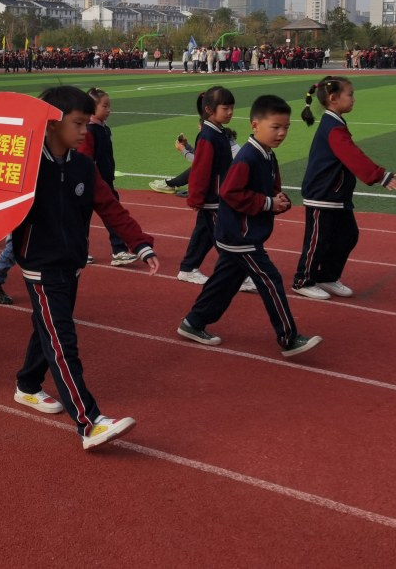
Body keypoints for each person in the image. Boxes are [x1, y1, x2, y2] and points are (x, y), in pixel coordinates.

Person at [12, 85, 158, 450]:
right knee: (62, 342)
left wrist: (139, 243)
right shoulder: (25, 165)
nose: (84, 131)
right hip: (40, 267)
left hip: (72, 263)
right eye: (78, 123)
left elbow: (110, 207)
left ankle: (27, 385)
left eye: (87, 122)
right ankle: (89, 421)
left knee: (46, 328)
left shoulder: (82, 166)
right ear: (50, 124)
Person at [176, 95, 323, 358]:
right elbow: (230, 193)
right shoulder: (248, 156)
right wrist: (268, 203)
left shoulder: (267, 156)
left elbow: (273, 189)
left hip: (240, 234)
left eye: (286, 127)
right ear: (255, 125)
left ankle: (193, 322)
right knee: (270, 280)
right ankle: (288, 338)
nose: (281, 133)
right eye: (275, 127)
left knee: (224, 283)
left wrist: (279, 201)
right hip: (239, 236)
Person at [291, 76, 396, 300]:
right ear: (333, 99)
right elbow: (352, 155)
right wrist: (380, 175)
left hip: (337, 195)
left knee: (348, 235)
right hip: (322, 194)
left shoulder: (336, 123)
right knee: (317, 240)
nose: (354, 99)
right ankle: (303, 280)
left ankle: (327, 276)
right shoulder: (332, 127)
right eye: (350, 94)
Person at [177, 87, 239, 286]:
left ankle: (187, 268)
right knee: (226, 237)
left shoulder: (219, 132)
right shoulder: (208, 136)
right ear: (210, 110)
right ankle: (240, 275)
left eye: (232, 108)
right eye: (225, 108)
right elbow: (201, 169)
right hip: (213, 197)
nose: (230, 112)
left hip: (219, 195)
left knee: (204, 233)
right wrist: (196, 197)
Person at [79, 87, 137, 266]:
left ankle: (119, 250)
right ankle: (79, 252)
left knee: (113, 215)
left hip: (106, 181)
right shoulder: (89, 130)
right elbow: (86, 159)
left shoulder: (104, 129)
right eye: (105, 106)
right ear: (92, 107)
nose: (109, 110)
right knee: (82, 219)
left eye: (109, 106)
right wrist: (91, 180)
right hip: (92, 183)